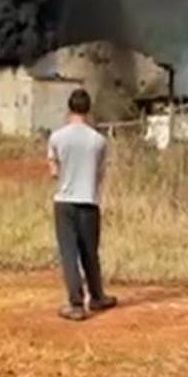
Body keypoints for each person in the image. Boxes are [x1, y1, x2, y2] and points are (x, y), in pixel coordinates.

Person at [48, 88, 118, 322]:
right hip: (89, 201)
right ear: (88, 109)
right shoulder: (98, 141)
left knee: (69, 253)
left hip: (64, 202)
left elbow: (54, 171)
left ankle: (76, 304)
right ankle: (97, 296)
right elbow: (100, 172)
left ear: (70, 107)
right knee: (90, 252)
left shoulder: (57, 137)